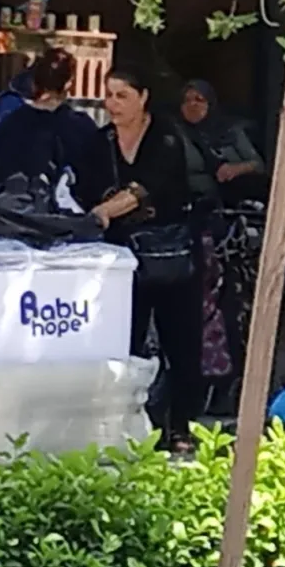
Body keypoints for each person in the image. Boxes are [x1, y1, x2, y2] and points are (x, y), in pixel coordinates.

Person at [75, 70, 204, 452]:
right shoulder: (99, 142)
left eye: (122, 96)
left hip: (169, 253)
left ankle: (181, 427)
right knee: (124, 342)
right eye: (109, 95)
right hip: (120, 258)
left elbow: (143, 190)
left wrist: (102, 211)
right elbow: (82, 187)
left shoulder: (166, 137)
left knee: (180, 343)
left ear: (143, 97)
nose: (112, 104)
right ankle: (125, 426)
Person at [0, 48, 95, 191]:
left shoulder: (9, 124)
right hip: (64, 203)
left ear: (33, 81)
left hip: (10, 202)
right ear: (69, 84)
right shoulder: (82, 127)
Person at [176, 80, 267, 203]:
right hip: (200, 199)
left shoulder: (230, 130)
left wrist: (236, 169)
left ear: (210, 104)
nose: (192, 104)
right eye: (186, 100)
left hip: (241, 197)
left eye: (199, 100)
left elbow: (258, 165)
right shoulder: (176, 134)